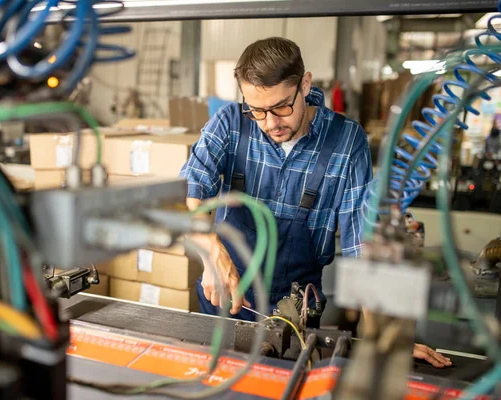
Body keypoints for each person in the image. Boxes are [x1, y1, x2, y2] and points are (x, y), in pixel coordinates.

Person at [180, 37, 451, 368]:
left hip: (295, 316)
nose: (270, 123)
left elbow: (361, 245)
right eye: (257, 110)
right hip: (225, 301)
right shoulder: (230, 124)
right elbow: (190, 191)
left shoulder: (346, 141)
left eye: (281, 107)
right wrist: (213, 253)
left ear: (305, 84)